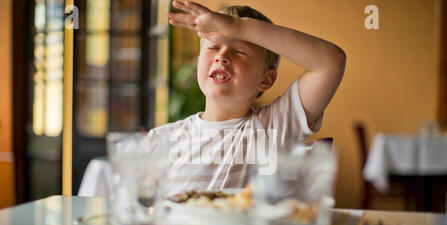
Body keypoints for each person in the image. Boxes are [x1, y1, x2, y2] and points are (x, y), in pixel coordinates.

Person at [147, 1, 345, 196]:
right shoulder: (160, 140)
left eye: (240, 51)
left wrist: (240, 28)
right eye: (213, 47)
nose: (221, 56)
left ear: (265, 80)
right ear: (198, 62)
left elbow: (329, 63)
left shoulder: (273, 128)